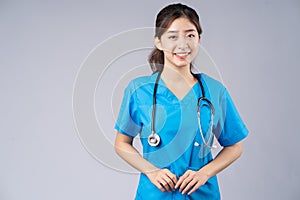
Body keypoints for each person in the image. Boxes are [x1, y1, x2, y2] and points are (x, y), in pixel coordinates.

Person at [114, 3, 248, 199]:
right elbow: (121, 143)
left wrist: (204, 173)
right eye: (173, 36)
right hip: (156, 194)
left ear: (199, 39)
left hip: (201, 193)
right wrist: (152, 171)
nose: (183, 44)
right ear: (159, 42)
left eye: (190, 35)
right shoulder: (139, 90)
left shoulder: (215, 91)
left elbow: (235, 146)